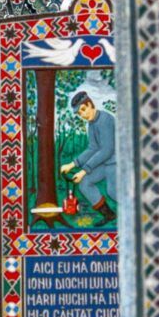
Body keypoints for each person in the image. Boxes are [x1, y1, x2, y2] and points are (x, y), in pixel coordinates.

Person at [60, 92, 116, 224]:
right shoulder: (91, 123)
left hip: (116, 162)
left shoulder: (105, 119)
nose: (83, 115)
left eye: (83, 110)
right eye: (80, 113)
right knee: (85, 183)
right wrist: (72, 164)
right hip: (104, 164)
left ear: (90, 104)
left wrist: (84, 170)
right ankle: (109, 215)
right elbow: (92, 148)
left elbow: (107, 150)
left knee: (112, 192)